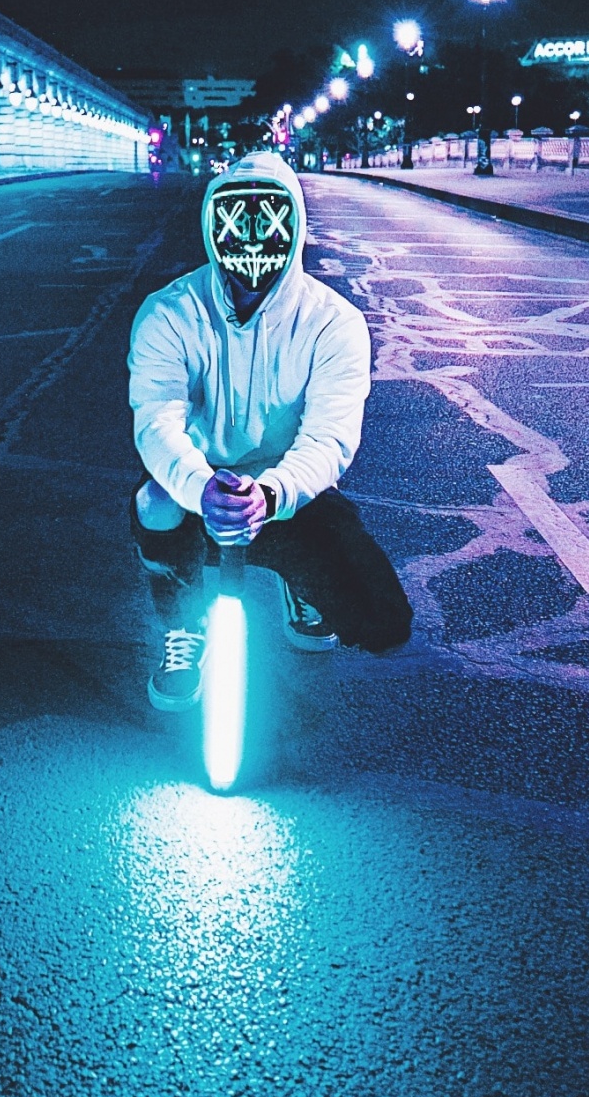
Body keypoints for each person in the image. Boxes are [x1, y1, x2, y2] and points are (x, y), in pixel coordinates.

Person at [127, 152, 413, 707]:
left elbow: (329, 437)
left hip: (285, 494)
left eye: (270, 226)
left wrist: (273, 494)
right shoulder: (169, 313)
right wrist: (200, 487)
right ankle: (184, 626)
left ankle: (297, 580)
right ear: (214, 227)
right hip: (198, 492)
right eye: (237, 226)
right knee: (154, 503)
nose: (254, 246)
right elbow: (156, 421)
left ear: (296, 227)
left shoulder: (334, 322)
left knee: (384, 623)